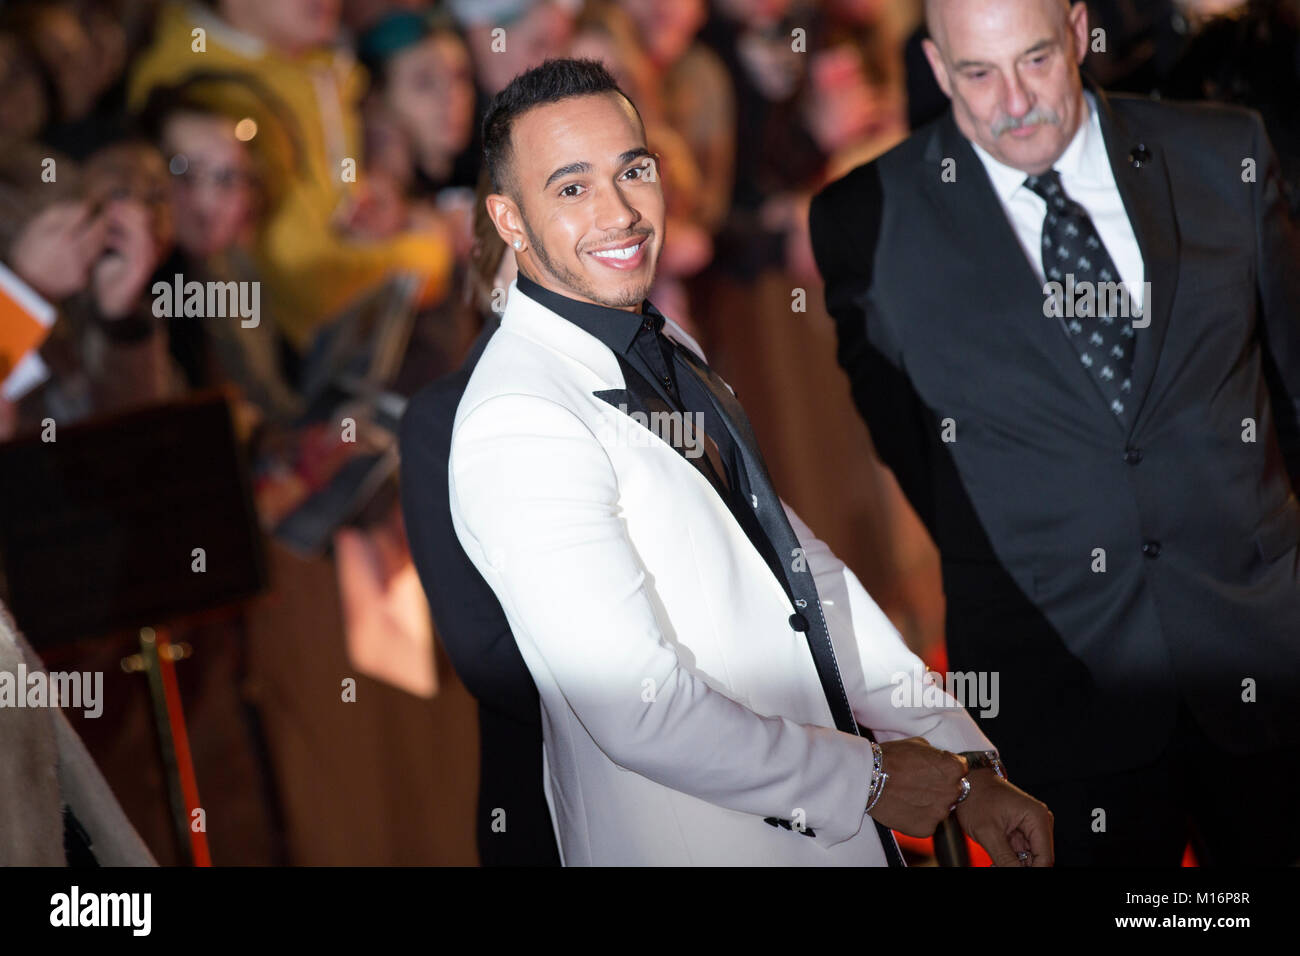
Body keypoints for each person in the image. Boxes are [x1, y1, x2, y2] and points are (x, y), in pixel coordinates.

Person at [424, 57, 1053, 866]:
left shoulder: (660, 340)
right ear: (509, 221)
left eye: (633, 171)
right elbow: (637, 709)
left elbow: (805, 578)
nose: (620, 213)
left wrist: (962, 762)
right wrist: (866, 780)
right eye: (571, 188)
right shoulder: (518, 418)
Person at [810, 0, 1300, 866]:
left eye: (1035, 59)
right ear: (934, 68)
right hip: (1057, 686)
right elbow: (922, 457)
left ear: (1077, 32)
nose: (1015, 100)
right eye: (978, 74)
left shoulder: (1226, 154)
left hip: (1264, 650)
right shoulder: (871, 220)